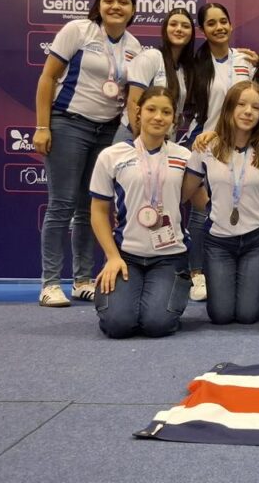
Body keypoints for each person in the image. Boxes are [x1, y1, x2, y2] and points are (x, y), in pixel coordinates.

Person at [35, 0, 143, 307]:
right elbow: (47, 77)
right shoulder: (78, 31)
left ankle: (82, 281)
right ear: (99, 5)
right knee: (61, 205)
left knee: (89, 208)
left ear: (132, 10)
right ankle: (50, 283)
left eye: (123, 2)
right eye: (109, 0)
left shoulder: (134, 46)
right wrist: (42, 126)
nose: (116, 6)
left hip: (107, 132)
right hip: (69, 123)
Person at [89, 86, 192, 338]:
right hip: (126, 256)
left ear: (174, 119)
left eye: (166, 112)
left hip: (169, 256)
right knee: (118, 325)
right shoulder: (111, 156)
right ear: (138, 112)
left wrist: (206, 157)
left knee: (157, 325)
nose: (158, 117)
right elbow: (99, 211)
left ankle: (162, 296)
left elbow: (201, 202)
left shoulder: (185, 157)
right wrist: (112, 257)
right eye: (151, 109)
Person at [182, 81, 259, 325]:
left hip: (257, 241)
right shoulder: (207, 147)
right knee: (221, 315)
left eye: (256, 107)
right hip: (218, 242)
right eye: (241, 104)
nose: (248, 112)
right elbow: (186, 191)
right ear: (228, 108)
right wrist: (210, 207)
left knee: (248, 315)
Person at [184, 2, 253, 301]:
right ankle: (197, 273)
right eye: (211, 23)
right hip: (205, 143)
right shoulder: (195, 64)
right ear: (202, 30)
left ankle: (235, 272)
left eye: (223, 21)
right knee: (202, 210)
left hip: (240, 143)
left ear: (230, 24)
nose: (219, 27)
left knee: (235, 205)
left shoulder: (246, 60)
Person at [117, 8, 196, 143]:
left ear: (191, 33)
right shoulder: (151, 57)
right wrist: (141, 141)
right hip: (134, 136)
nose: (179, 29)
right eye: (173, 24)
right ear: (165, 29)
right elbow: (133, 101)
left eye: (185, 26)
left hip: (164, 140)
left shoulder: (184, 69)